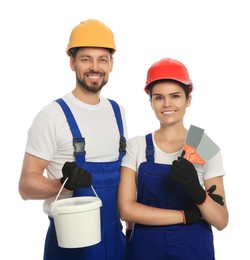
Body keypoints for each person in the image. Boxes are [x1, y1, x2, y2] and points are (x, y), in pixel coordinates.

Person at [19, 19, 127, 260]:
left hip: (115, 240)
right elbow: (26, 186)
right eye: (86, 58)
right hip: (71, 242)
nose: (94, 67)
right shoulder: (52, 115)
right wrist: (62, 184)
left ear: (111, 64)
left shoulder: (117, 112)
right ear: (72, 62)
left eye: (102, 59)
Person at [118, 58, 229, 260]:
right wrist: (185, 216)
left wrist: (198, 193)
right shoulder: (136, 146)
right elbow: (126, 210)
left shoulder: (203, 144)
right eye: (159, 97)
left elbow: (221, 221)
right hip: (146, 250)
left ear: (188, 99)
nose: (167, 104)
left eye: (175, 96)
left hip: (194, 250)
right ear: (150, 101)